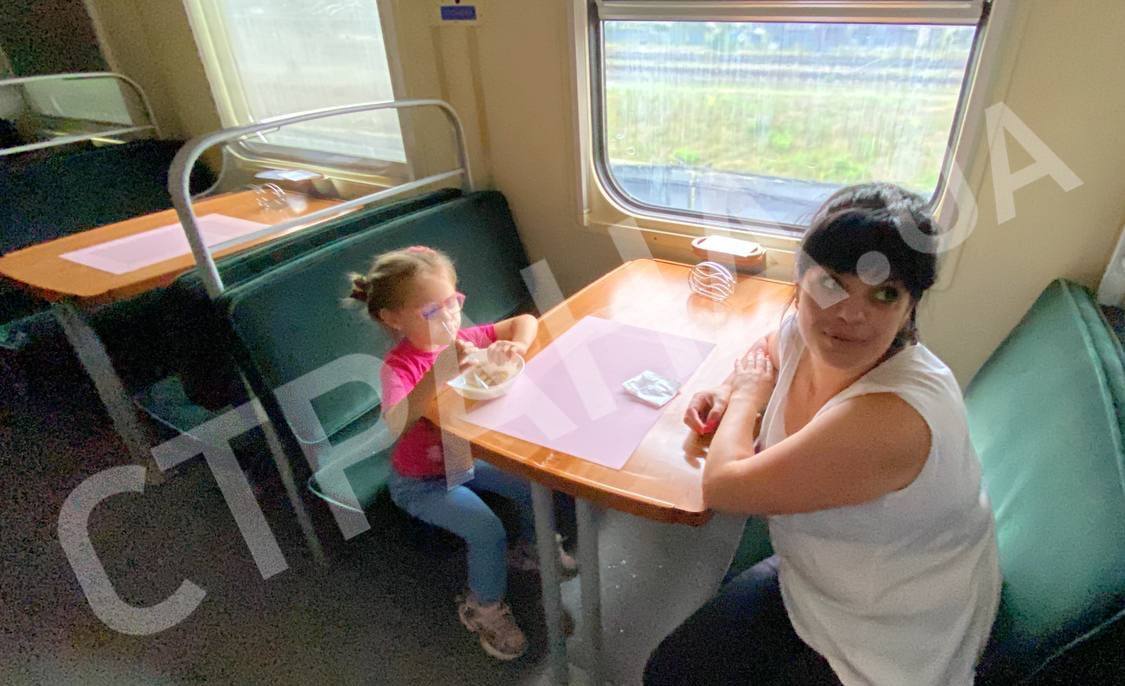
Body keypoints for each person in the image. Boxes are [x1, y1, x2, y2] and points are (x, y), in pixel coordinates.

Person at [644, 183, 1001, 685]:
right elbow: (768, 348)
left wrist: (746, 397)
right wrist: (726, 390)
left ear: (909, 307)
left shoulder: (891, 419)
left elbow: (723, 487)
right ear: (801, 278)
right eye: (832, 283)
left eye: (884, 294)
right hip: (818, 581)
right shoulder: (804, 331)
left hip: (884, 637)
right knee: (668, 670)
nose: (850, 314)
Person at [348, 245, 576, 661]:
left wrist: (515, 348)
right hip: (419, 481)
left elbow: (524, 322)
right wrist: (440, 371)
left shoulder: (463, 339)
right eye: (432, 311)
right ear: (394, 319)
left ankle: (532, 548)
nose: (451, 317)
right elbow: (395, 424)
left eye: (453, 302)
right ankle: (482, 607)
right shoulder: (400, 366)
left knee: (533, 483)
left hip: (463, 459)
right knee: (487, 530)